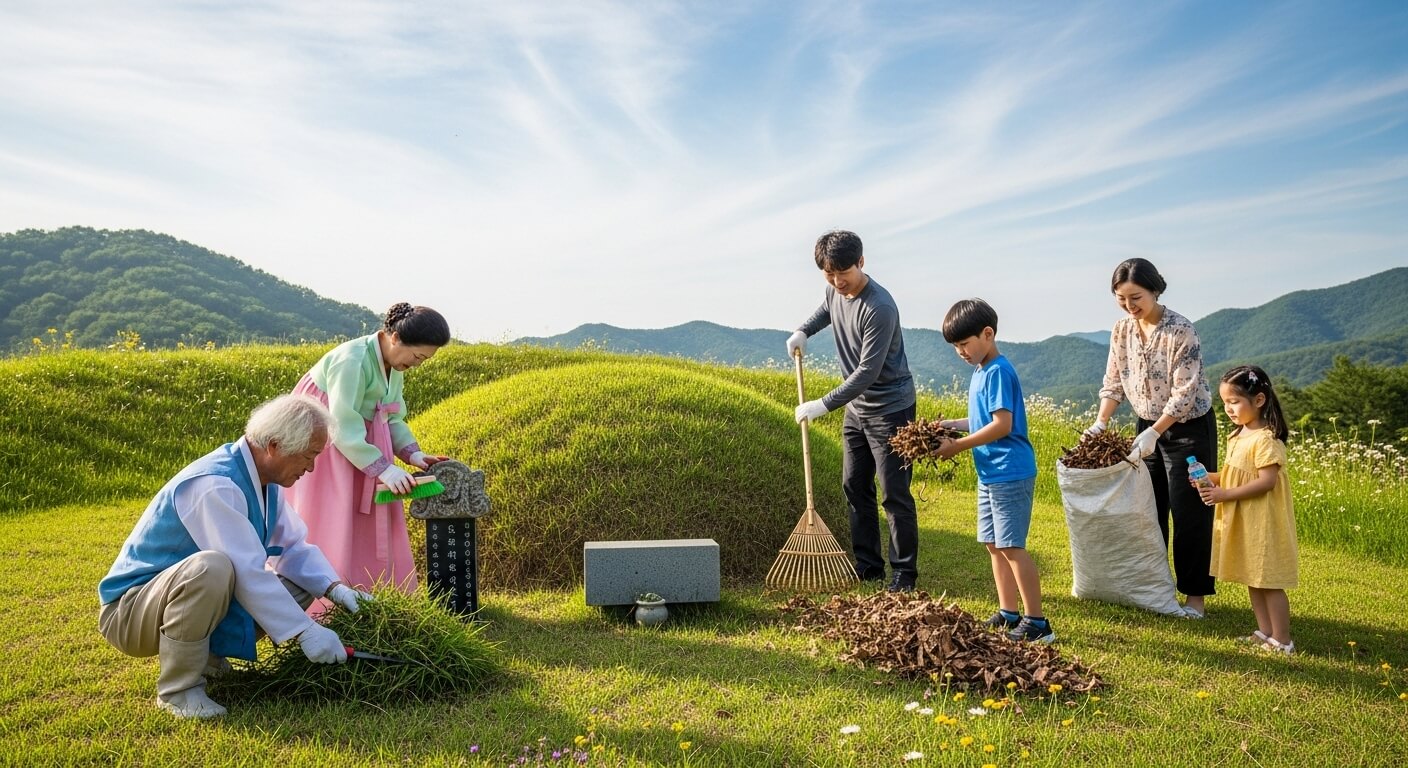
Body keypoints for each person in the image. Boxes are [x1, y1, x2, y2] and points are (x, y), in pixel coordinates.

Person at [98, 395, 373, 719]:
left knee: (297, 584)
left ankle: (210, 662)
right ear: (274, 445)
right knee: (211, 568)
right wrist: (305, 631)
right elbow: (247, 569)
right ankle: (179, 691)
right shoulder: (215, 484)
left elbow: (293, 548)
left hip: (176, 601)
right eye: (308, 456)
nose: (310, 468)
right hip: (130, 613)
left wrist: (335, 589)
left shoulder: (266, 481)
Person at [285, 302, 452, 595]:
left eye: (424, 360)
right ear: (395, 338)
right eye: (417, 356)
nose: (416, 364)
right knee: (334, 515)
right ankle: (326, 598)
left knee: (367, 519)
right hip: (328, 440)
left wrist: (412, 454)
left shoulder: (394, 364)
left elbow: (392, 415)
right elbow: (341, 424)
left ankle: (370, 592)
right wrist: (384, 469)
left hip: (364, 443)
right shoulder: (351, 360)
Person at [787, 230, 919, 592]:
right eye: (829, 275)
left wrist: (822, 404)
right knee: (854, 485)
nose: (837, 281)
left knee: (894, 493)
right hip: (858, 410)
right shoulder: (834, 288)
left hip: (891, 410)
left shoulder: (880, 307)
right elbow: (827, 309)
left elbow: (867, 372)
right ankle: (868, 565)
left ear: (861, 262)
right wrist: (803, 330)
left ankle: (904, 574)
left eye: (843, 273)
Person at [1089, 258, 1218, 617]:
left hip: (1188, 429)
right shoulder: (1121, 331)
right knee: (1149, 510)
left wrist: (1155, 431)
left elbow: (1185, 394)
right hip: (1145, 426)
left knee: (1190, 511)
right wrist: (1101, 422)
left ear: (1155, 289)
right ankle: (1156, 589)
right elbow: (1113, 381)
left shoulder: (1181, 331)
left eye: (1136, 297)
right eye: (1121, 298)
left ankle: (1195, 597)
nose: (1130, 306)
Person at [934, 299, 1052, 643]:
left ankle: (1037, 623)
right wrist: (950, 425)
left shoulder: (999, 370)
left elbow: (1002, 425)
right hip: (990, 474)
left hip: (1009, 471)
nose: (961, 352)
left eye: (964, 344)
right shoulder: (980, 371)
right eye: (956, 347)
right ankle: (1008, 612)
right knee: (993, 544)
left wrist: (958, 445)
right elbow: (983, 419)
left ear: (988, 334)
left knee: (1012, 546)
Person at [1192, 365, 1297, 654]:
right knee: (1254, 576)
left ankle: (1283, 639)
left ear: (1259, 400)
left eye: (1234, 402)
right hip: (1245, 520)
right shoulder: (1238, 436)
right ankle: (1265, 632)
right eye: (1224, 402)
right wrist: (1208, 478)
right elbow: (1232, 475)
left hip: (1263, 520)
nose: (1228, 408)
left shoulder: (1266, 439)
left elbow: (1266, 481)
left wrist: (1224, 494)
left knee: (1269, 580)